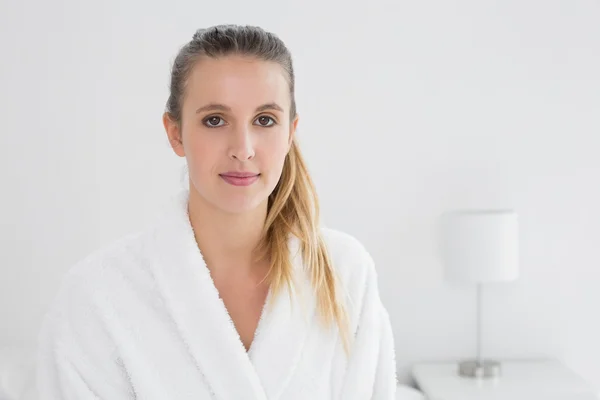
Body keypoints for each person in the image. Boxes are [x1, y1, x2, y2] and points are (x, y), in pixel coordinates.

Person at [36, 24, 397, 399]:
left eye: (265, 120)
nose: (243, 148)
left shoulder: (345, 273)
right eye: (215, 120)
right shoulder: (97, 297)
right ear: (175, 133)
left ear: (291, 133)